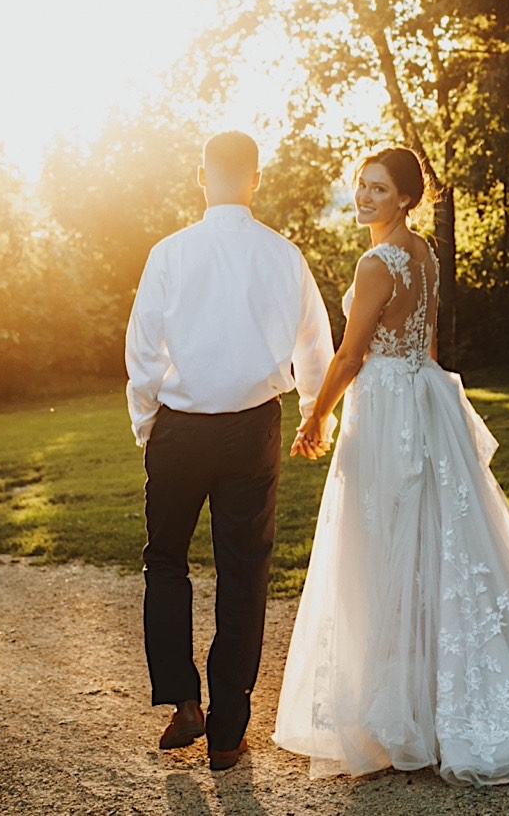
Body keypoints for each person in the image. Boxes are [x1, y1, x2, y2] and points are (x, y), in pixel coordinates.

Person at [272, 147, 509, 784]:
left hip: (387, 408)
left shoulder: (375, 263)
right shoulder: (424, 254)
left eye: (379, 190)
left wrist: (314, 418)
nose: (364, 198)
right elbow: (428, 343)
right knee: (428, 544)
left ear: (405, 200)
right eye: (361, 186)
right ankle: (416, 704)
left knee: (385, 547)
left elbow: (349, 357)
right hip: (420, 399)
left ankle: (399, 714)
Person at [125, 131, 336, 771]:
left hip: (180, 428)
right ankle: (227, 729)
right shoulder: (284, 256)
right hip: (253, 428)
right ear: (256, 179)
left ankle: (183, 699)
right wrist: (313, 417)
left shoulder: (169, 253)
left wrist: (147, 426)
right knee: (243, 572)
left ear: (202, 177)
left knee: (165, 561)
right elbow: (315, 347)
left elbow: (142, 353)